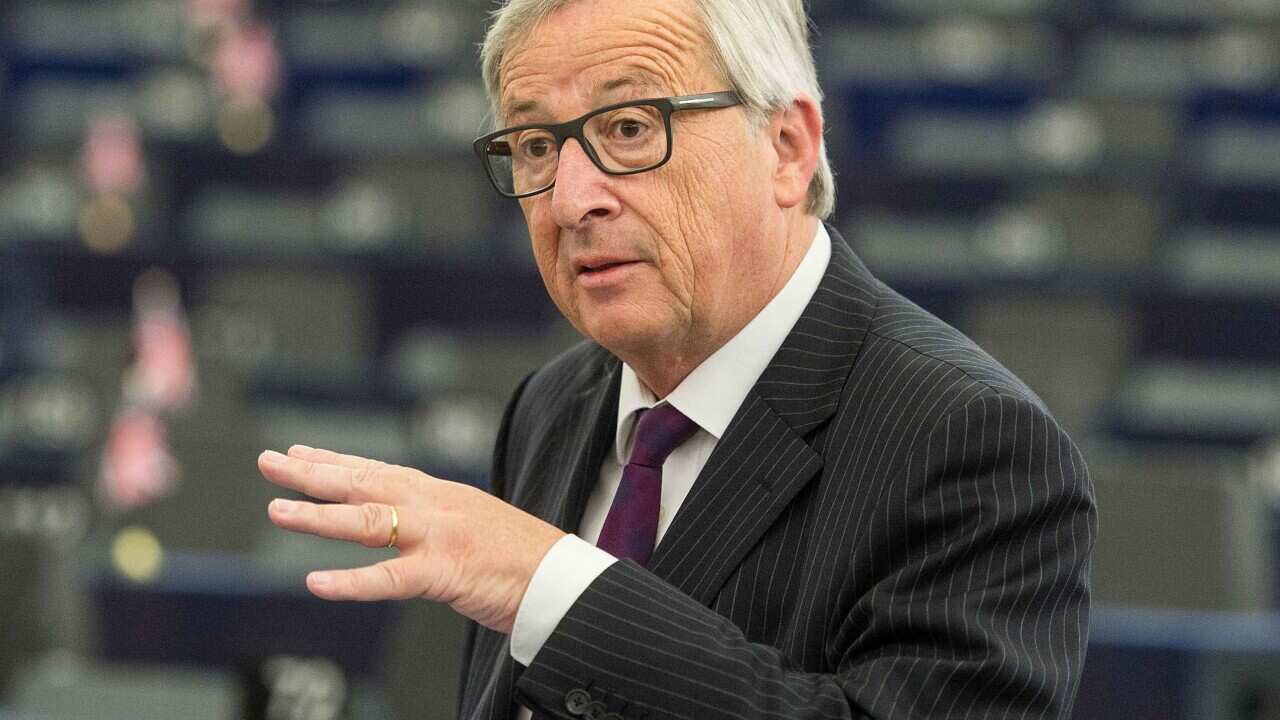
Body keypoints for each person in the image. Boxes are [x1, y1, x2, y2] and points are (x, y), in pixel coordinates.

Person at [256, 0, 1098, 718]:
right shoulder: (550, 405)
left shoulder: (974, 442)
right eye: (537, 146)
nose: (573, 199)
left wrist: (551, 586)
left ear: (788, 147)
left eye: (629, 128)